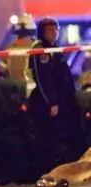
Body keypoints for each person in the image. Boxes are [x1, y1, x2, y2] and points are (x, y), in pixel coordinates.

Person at [28, 18, 87, 174]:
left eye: (56, 30)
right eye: (49, 30)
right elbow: (43, 79)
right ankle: (48, 172)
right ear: (42, 32)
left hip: (65, 101)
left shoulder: (54, 48)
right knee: (49, 140)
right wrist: (52, 102)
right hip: (50, 104)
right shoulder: (41, 50)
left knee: (71, 135)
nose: (54, 33)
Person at [0, 14, 37, 96]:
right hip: (34, 93)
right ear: (33, 30)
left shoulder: (9, 48)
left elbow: (2, 73)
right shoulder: (38, 47)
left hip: (14, 93)